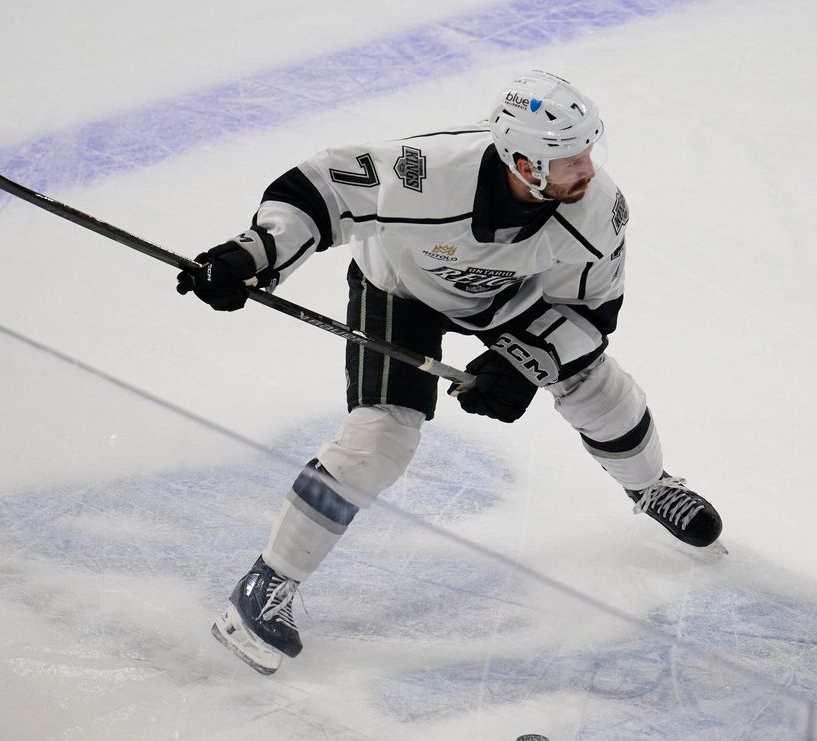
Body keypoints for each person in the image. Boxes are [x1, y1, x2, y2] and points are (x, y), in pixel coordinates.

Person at [177, 70, 722, 675]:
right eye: (568, 159)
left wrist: (523, 368)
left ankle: (650, 487)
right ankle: (264, 585)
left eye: (588, 151)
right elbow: (321, 189)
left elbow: (592, 313)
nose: (587, 168)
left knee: (595, 383)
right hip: (398, 290)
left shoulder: (598, 211)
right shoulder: (425, 173)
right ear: (522, 160)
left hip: (506, 298)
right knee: (379, 439)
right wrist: (253, 254)